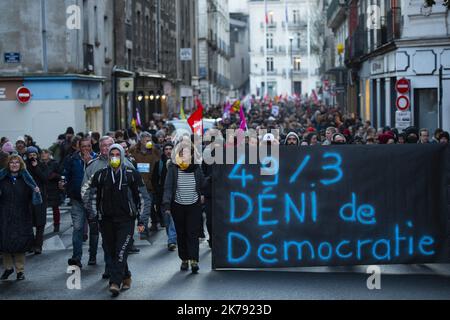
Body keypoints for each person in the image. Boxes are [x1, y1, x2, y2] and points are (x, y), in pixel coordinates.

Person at [82, 144, 151, 297]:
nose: (114, 157)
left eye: (117, 154)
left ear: (122, 156)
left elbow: (143, 198)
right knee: (112, 252)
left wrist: (142, 220)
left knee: (121, 250)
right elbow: (92, 198)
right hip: (106, 220)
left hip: (126, 220)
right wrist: (93, 217)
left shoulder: (132, 174)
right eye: (111, 154)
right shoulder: (101, 175)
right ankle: (125, 276)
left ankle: (115, 282)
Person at [82, 136, 135, 279]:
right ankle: (111, 268)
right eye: (104, 146)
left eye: (110, 145)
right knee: (108, 243)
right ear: (100, 148)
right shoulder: (93, 166)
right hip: (103, 213)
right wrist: (91, 209)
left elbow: (134, 189)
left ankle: (118, 272)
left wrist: (133, 208)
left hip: (123, 214)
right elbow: (85, 189)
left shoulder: (128, 165)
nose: (107, 148)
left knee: (120, 245)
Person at [163, 142, 204, 274]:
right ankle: (184, 259)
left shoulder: (197, 167)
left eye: (187, 152)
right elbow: (168, 187)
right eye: (181, 152)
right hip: (178, 205)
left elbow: (202, 183)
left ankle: (194, 260)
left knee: (192, 233)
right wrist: (167, 205)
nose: (184, 155)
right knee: (181, 233)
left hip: (194, 205)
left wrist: (202, 194)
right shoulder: (173, 168)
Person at [0, 155, 42, 281]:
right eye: (11, 162)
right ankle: (8, 268)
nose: (14, 165)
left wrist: (36, 191)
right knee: (4, 242)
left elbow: (35, 198)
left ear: (20, 165)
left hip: (22, 214)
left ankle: (20, 270)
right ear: (8, 164)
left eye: (16, 163)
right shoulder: (2, 179)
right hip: (4, 214)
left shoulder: (26, 179)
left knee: (20, 242)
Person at [63, 137, 98, 268]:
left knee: (94, 229)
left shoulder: (97, 159)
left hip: (92, 200)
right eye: (83, 146)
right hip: (77, 199)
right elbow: (66, 175)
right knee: (77, 228)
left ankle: (93, 256)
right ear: (79, 147)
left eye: (88, 146)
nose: (86, 149)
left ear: (91, 146)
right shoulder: (72, 159)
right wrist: (64, 183)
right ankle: (76, 257)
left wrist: (90, 163)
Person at [129, 132, 161, 233]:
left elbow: (158, 165)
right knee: (140, 208)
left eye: (150, 140)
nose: (149, 142)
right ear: (141, 141)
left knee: (148, 207)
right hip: (136, 185)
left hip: (149, 185)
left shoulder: (155, 151)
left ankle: (145, 229)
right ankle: (146, 227)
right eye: (147, 140)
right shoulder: (133, 150)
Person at [152, 142, 177, 251]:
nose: (168, 151)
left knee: (173, 219)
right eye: (166, 149)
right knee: (167, 220)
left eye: (170, 149)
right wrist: (158, 193)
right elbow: (154, 180)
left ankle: (172, 240)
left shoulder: (178, 163)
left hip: (176, 197)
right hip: (163, 197)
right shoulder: (159, 163)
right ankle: (171, 237)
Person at [25, 146, 48, 255]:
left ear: (37, 155)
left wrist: (36, 167)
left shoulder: (42, 165)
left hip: (40, 197)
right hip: (28, 197)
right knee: (29, 221)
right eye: (30, 155)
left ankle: (38, 245)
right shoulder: (24, 166)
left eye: (34, 155)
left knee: (40, 222)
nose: (32, 157)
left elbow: (44, 178)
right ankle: (30, 244)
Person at [41, 149, 63, 233]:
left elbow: (61, 175)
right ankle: (41, 226)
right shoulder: (39, 164)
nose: (43, 154)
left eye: (45, 153)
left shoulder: (55, 164)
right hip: (43, 188)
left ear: (49, 154)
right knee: (42, 209)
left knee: (55, 208)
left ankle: (56, 225)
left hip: (53, 188)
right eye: (42, 153)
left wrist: (55, 175)